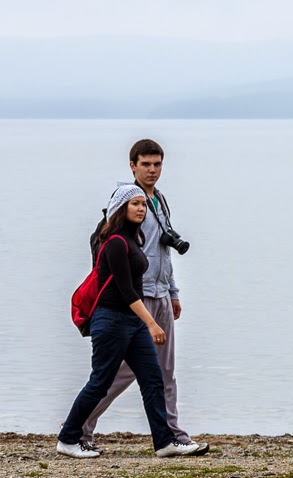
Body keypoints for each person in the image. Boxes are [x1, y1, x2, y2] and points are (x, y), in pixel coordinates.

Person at [80, 139, 208, 455]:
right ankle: (79, 429)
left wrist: (173, 292)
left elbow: (163, 250)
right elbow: (112, 246)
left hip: (161, 295)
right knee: (118, 373)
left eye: (157, 164)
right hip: (135, 299)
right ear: (132, 166)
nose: (152, 170)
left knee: (165, 372)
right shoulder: (127, 201)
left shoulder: (160, 200)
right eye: (146, 164)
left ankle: (174, 434)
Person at [58, 185, 201, 458]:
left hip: (130, 322)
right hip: (111, 320)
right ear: (121, 209)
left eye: (143, 205)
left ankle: (164, 442)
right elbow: (127, 291)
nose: (140, 208)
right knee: (100, 381)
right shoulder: (114, 243)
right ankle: (68, 438)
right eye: (135, 204)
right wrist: (151, 323)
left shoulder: (134, 239)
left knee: (152, 378)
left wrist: (170, 293)